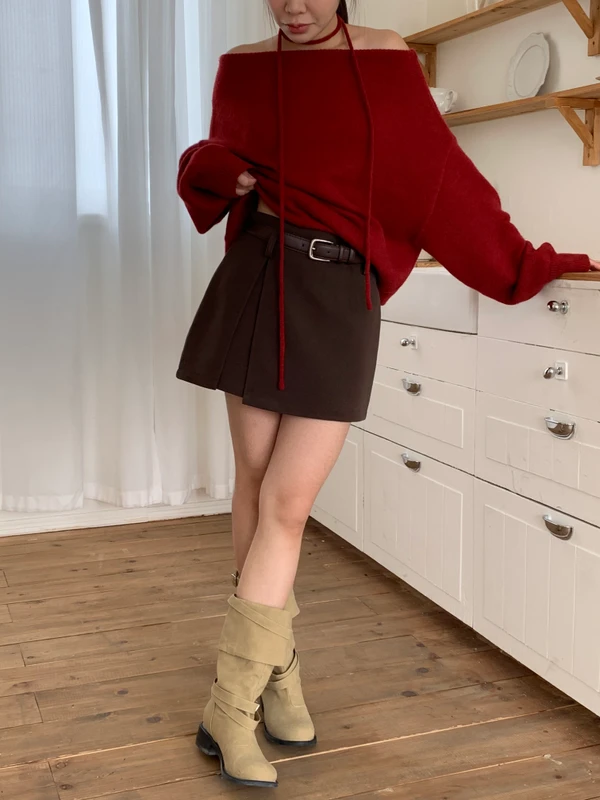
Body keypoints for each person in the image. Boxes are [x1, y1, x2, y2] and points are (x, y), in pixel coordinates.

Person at [176, 0, 599, 788]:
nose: (293, 6)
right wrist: (216, 168)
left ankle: (227, 706)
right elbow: (212, 159)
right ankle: (272, 681)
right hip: (257, 280)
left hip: (339, 295)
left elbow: (439, 181)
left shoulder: (384, 59)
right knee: (257, 485)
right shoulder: (242, 67)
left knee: (288, 505)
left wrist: (530, 262)